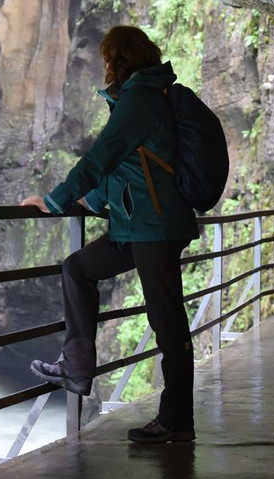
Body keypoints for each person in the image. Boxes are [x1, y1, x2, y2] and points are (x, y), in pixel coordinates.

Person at [21, 25, 198, 444]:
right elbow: (129, 165)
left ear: (117, 59)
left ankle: (177, 421)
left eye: (106, 57)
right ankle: (77, 365)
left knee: (168, 323)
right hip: (133, 225)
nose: (103, 65)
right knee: (77, 268)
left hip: (153, 227)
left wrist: (58, 201)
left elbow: (103, 155)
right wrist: (91, 202)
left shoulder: (140, 98)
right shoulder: (140, 97)